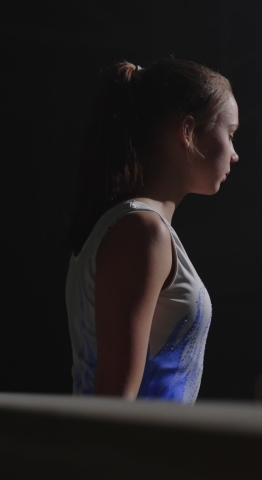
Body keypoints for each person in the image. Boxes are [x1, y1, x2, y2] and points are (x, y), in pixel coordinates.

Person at [65, 59, 239, 402]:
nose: (234, 154)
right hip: (128, 453)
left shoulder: (133, 226)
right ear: (187, 132)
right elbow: (115, 402)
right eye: (230, 134)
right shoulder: (140, 231)